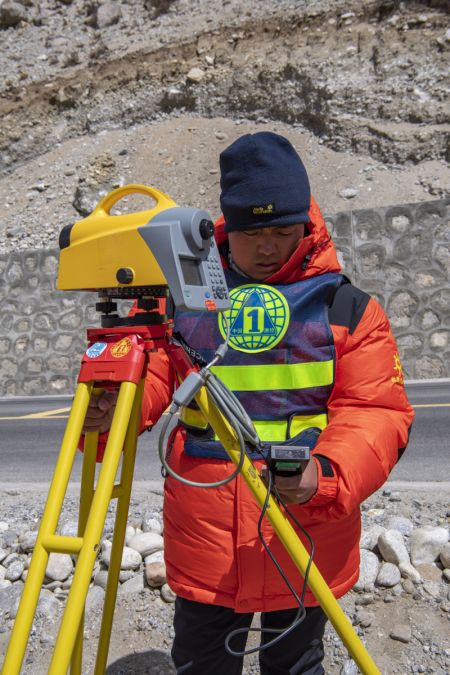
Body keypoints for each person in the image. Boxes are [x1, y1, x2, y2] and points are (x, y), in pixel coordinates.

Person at [84, 132, 414, 674]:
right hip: (204, 535)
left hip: (304, 526)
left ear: (305, 227)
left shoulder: (349, 309)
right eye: (252, 234)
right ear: (226, 230)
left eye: (283, 232)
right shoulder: (185, 303)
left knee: (296, 663)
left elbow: (377, 412)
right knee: (200, 661)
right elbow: (161, 372)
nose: (267, 248)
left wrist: (325, 475)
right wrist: (119, 406)